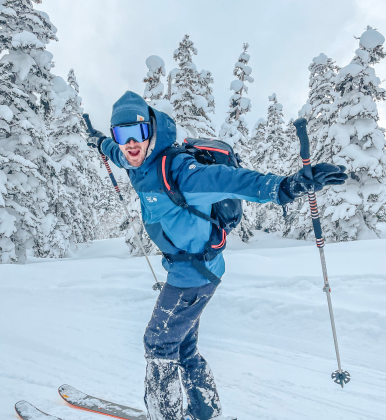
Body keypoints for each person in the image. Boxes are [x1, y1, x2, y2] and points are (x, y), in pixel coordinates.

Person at [87, 91, 347, 420]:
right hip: (197, 271)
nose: (130, 143)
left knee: (158, 343)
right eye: (121, 134)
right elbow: (115, 151)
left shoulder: (179, 171)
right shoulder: (130, 156)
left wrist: (286, 186)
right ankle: (205, 412)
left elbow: (233, 181)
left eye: (137, 132)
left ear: (151, 130)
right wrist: (98, 142)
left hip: (192, 277)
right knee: (182, 346)